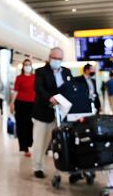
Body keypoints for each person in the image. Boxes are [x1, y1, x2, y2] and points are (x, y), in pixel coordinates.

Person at [31, 47, 73, 178]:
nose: (57, 61)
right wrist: (50, 98)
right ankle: (37, 167)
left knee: (63, 141)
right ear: (49, 57)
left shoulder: (66, 72)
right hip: (43, 112)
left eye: (60, 59)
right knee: (40, 142)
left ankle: (66, 167)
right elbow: (38, 87)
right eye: (55, 58)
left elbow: (70, 87)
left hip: (62, 113)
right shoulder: (41, 71)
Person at [10, 59, 35, 157]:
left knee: (31, 125)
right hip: (21, 104)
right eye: (26, 65)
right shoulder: (19, 78)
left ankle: (29, 142)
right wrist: (11, 104)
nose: (27, 67)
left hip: (33, 104)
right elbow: (16, 91)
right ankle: (25, 148)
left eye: (29, 65)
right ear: (23, 66)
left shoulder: (35, 77)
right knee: (22, 126)